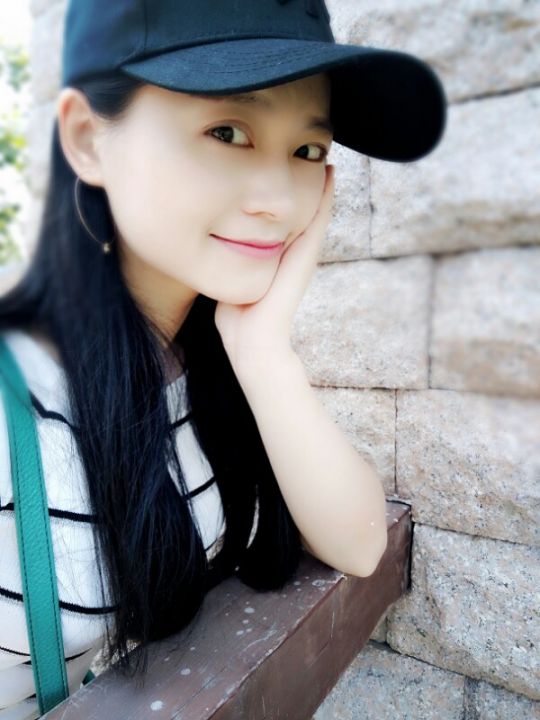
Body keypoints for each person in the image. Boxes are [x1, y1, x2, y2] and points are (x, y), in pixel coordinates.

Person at [0, 0, 447, 717]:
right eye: (228, 132)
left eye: (308, 151)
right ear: (87, 139)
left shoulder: (201, 357)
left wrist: (263, 351)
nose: (280, 201)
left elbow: (360, 545)